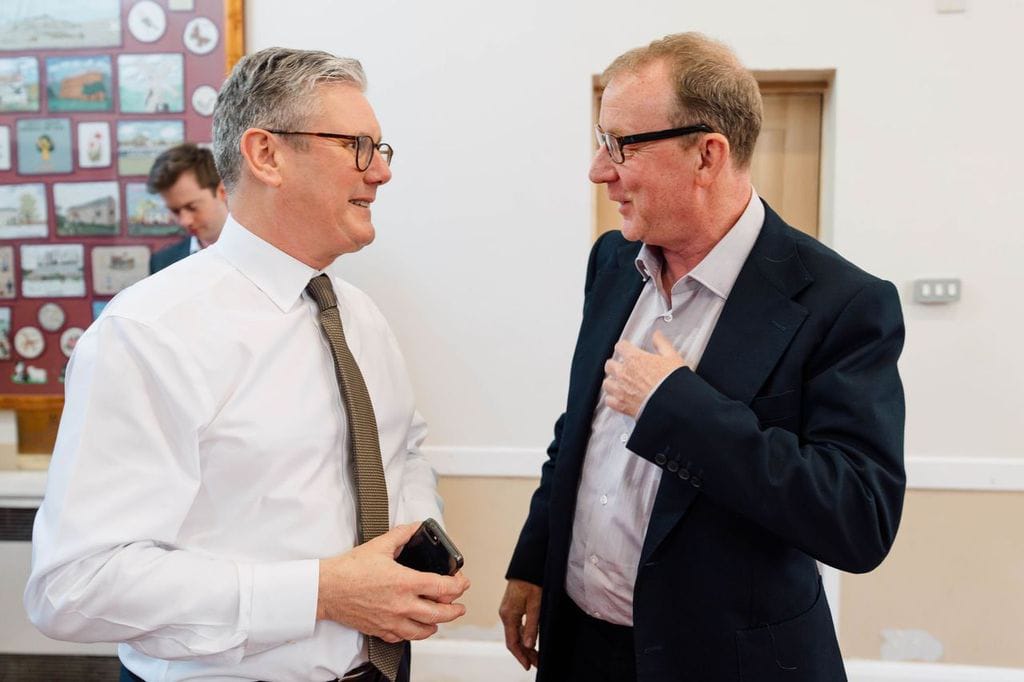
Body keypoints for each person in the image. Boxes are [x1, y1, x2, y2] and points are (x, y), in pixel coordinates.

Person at [25, 47, 470, 682]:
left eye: (382, 149)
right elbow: (74, 586)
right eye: (357, 146)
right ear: (266, 155)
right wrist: (320, 591)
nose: (381, 173)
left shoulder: (361, 316)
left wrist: (411, 551)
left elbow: (405, 450)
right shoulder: (148, 333)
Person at [500, 33, 905, 682]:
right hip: (580, 649)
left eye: (620, 145)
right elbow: (578, 430)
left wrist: (678, 409)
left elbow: (859, 518)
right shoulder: (611, 263)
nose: (598, 171)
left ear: (707, 155)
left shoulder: (843, 303)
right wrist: (533, 562)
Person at [146, 143, 229, 273]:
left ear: (222, 191)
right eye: (175, 211)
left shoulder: (265, 253)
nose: (184, 221)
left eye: (192, 207)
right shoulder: (161, 263)